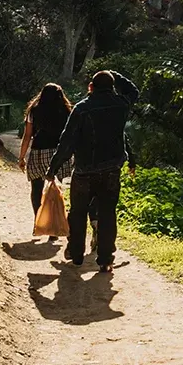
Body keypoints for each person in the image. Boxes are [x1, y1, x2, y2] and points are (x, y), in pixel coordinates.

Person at [46, 70, 135, 269]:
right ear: (112, 87)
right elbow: (133, 90)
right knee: (107, 213)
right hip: (112, 170)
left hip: (85, 171)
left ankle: (76, 253)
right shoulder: (121, 105)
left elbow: (66, 142)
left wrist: (53, 168)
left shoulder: (81, 108)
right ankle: (105, 260)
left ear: (90, 87)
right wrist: (114, 75)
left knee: (78, 212)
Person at [17, 83, 73, 214]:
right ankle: (56, 224)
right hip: (60, 154)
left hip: (39, 153)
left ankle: (39, 221)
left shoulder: (34, 111)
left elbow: (27, 136)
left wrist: (22, 157)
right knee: (58, 189)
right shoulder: (67, 111)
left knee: (36, 188)